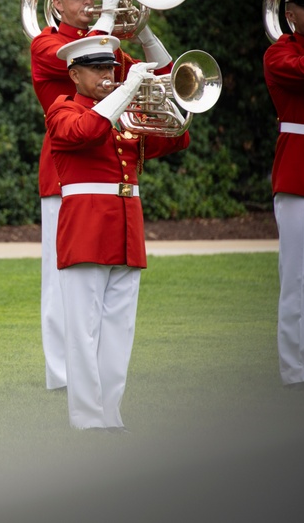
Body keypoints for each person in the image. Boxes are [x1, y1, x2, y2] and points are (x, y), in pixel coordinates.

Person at [29, 0, 173, 391]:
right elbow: (87, 61)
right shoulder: (47, 43)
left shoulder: (102, 48)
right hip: (67, 167)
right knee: (62, 285)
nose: (89, 3)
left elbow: (163, 77)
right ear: (56, 4)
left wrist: (144, 32)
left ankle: (92, 378)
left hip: (110, 162)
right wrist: (108, 20)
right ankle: (63, 377)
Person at [46, 35, 188, 431]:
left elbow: (178, 137)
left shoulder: (126, 115)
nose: (107, 74)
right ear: (74, 74)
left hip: (127, 228)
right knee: (84, 331)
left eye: (110, 67)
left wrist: (158, 84)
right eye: (97, 68)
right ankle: (87, 419)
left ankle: (111, 414)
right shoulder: (63, 109)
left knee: (118, 333)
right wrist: (127, 89)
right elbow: (85, 132)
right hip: (87, 229)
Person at [263, 0, 304, 388]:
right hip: (300, 173)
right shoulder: (279, 53)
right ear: (290, 13)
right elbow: (301, 72)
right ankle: (298, 370)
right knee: (299, 279)